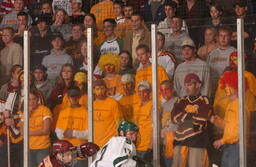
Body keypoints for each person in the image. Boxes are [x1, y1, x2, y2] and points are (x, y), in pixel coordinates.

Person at [171, 73, 212, 167]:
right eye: (185, 85)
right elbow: (173, 118)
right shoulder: (181, 100)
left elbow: (201, 121)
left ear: (198, 85)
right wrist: (193, 116)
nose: (186, 88)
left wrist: (183, 119)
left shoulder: (204, 100)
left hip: (197, 141)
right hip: (180, 141)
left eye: (189, 85)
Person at [211, 71, 245, 167]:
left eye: (227, 85)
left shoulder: (241, 105)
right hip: (228, 146)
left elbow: (239, 131)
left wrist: (222, 141)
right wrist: (218, 121)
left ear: (235, 86)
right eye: (224, 86)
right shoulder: (230, 105)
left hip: (236, 147)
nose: (225, 88)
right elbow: (227, 126)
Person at [55, 86, 89, 167]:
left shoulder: (86, 112)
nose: (74, 98)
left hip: (80, 152)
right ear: (68, 97)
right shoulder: (63, 112)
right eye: (72, 96)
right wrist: (63, 134)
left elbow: (89, 134)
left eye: (76, 95)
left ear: (80, 96)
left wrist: (73, 133)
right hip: (65, 153)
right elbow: (58, 131)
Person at [20, 89, 52, 167]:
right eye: (29, 99)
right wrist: (27, 114)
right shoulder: (25, 112)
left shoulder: (45, 110)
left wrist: (28, 133)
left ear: (38, 99)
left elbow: (45, 130)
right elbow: (22, 132)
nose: (32, 102)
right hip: (29, 147)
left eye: (34, 99)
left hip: (43, 147)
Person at [93, 79, 123, 147]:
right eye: (97, 89)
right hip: (95, 143)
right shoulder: (92, 104)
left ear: (106, 89)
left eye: (102, 88)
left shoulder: (113, 103)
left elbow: (119, 123)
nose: (100, 91)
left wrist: (118, 141)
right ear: (93, 90)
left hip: (110, 143)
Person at [207, 26, 236, 97]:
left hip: (228, 90)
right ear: (218, 37)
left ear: (230, 37)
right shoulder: (212, 53)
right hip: (213, 88)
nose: (223, 38)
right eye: (221, 36)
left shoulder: (235, 52)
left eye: (226, 36)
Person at [132, 80, 153, 164]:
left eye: (145, 91)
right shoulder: (136, 106)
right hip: (137, 146)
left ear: (149, 92)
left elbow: (154, 128)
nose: (142, 94)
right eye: (140, 92)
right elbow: (134, 125)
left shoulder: (153, 105)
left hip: (147, 146)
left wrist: (151, 147)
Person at [160, 80, 178, 167]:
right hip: (166, 144)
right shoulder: (163, 106)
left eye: (166, 89)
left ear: (172, 89)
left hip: (176, 142)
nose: (164, 92)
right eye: (162, 90)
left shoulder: (178, 102)